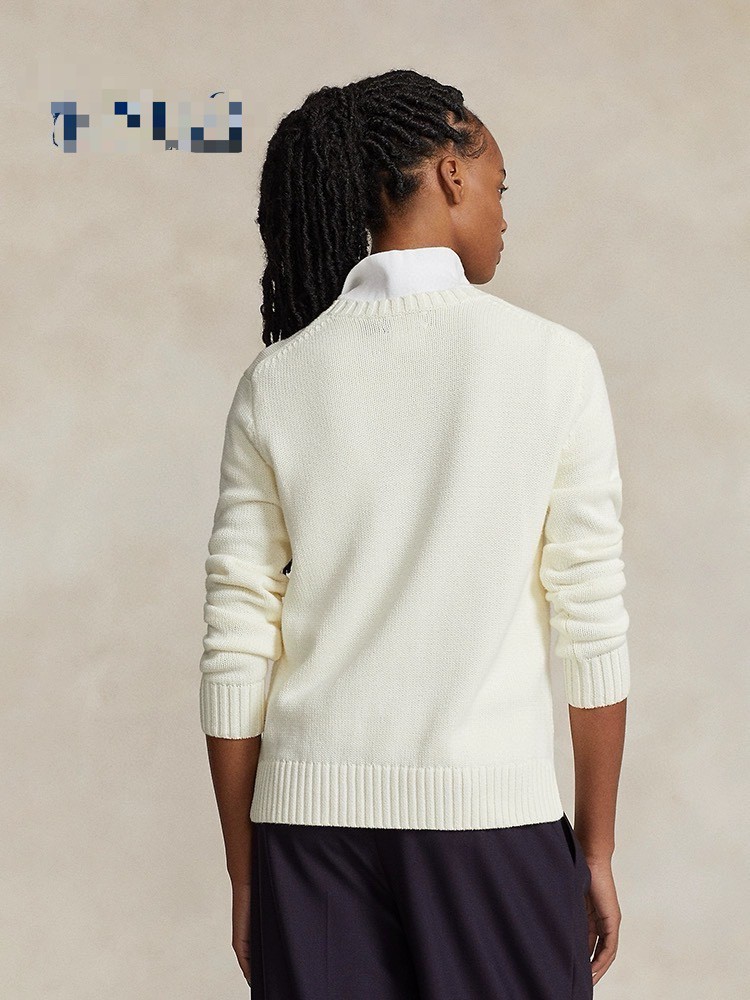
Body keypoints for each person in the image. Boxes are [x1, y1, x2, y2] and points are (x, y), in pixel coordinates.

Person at [199, 69, 630, 999]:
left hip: (307, 841)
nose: (505, 217)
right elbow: (592, 625)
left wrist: (247, 872)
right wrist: (593, 852)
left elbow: (237, 643)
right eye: (501, 186)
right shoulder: (555, 365)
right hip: (492, 828)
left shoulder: (278, 382)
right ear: (451, 172)